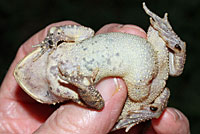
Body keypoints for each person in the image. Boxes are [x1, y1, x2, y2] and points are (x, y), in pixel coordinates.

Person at [0, 21, 190, 134]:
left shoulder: (74, 41)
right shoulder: (76, 89)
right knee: (143, 106)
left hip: (151, 62)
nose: (54, 68)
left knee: (160, 39)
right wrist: (80, 85)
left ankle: (178, 47)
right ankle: (153, 111)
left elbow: (82, 32)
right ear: (57, 97)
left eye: (48, 56)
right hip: (139, 94)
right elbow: (99, 104)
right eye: (50, 91)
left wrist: (55, 37)